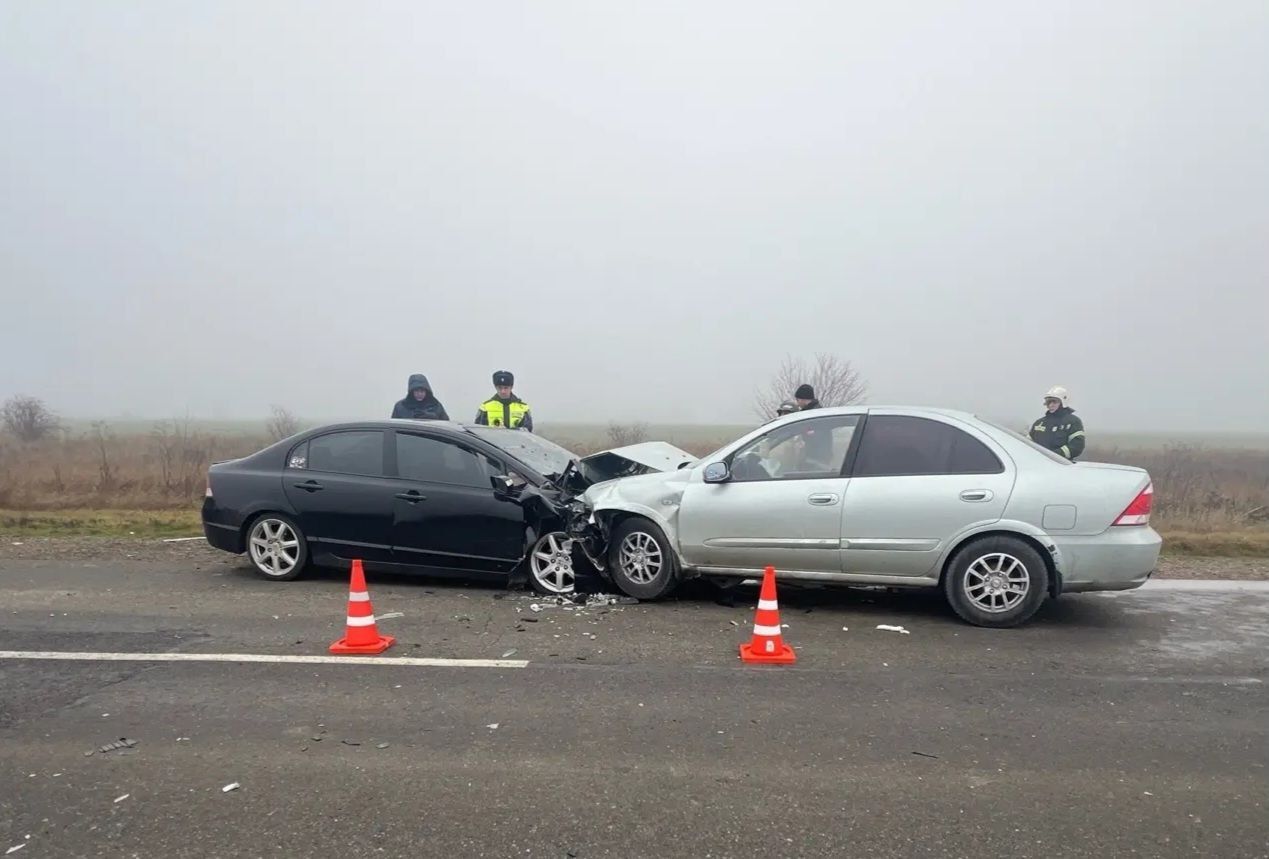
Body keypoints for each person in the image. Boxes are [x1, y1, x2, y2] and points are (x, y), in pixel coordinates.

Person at [1029, 386, 1086, 460]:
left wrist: (1054, 456)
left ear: (1063, 402)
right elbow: (1027, 444)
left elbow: (1077, 446)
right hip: (1038, 465)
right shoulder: (1039, 423)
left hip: (1060, 467)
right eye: (1048, 402)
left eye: (1054, 401)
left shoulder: (1073, 422)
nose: (1051, 405)